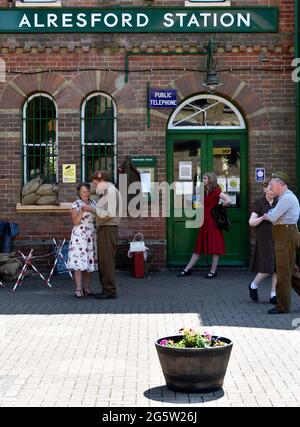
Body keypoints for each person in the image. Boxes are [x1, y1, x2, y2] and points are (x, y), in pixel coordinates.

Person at [177, 171, 230, 279]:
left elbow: (228, 200)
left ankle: (213, 271)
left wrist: (219, 207)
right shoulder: (201, 189)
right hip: (203, 221)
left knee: (215, 247)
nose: (203, 180)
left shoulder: (216, 191)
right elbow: (189, 193)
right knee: (198, 247)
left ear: (210, 180)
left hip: (213, 222)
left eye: (205, 178)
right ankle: (187, 269)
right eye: (203, 178)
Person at [262, 171, 300, 314]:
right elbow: (274, 215)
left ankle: (282, 306)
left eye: (272, 185)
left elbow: (272, 216)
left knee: (283, 272)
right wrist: (272, 215)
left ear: (279, 184)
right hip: (286, 234)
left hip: (286, 234)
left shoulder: (286, 198)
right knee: (292, 271)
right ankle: (282, 304)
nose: (270, 189)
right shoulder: (285, 197)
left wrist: (270, 215)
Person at [84, 170, 121, 299]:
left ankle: (109, 291)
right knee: (104, 261)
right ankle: (106, 289)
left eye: (95, 183)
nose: (94, 186)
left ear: (102, 181)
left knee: (107, 261)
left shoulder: (110, 192)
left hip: (108, 228)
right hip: (105, 229)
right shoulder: (106, 192)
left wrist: (92, 210)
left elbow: (109, 214)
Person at [67, 183, 98, 298]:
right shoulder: (76, 204)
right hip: (79, 236)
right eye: (84, 192)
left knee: (89, 262)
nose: (86, 194)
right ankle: (78, 288)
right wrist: (82, 210)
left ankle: (87, 287)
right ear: (79, 193)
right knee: (79, 262)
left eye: (88, 191)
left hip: (91, 235)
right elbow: (75, 222)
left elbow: (97, 218)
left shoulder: (94, 203)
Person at [248, 180, 277, 304]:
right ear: (265, 189)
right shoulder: (259, 202)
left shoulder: (279, 202)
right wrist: (262, 217)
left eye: (274, 189)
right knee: (267, 267)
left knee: (277, 267)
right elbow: (251, 222)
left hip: (278, 237)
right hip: (265, 238)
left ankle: (273, 294)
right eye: (270, 189)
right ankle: (253, 285)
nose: (272, 192)